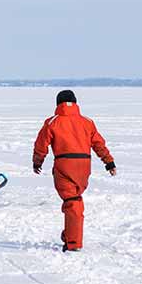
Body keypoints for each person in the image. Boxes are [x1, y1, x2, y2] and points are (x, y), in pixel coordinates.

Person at [33, 90, 116, 252]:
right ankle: (70, 234)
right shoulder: (87, 122)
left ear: (58, 104)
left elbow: (41, 145)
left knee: (73, 203)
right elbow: (99, 144)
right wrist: (109, 162)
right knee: (74, 200)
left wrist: (37, 162)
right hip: (84, 166)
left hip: (64, 164)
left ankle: (73, 243)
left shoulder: (52, 122)